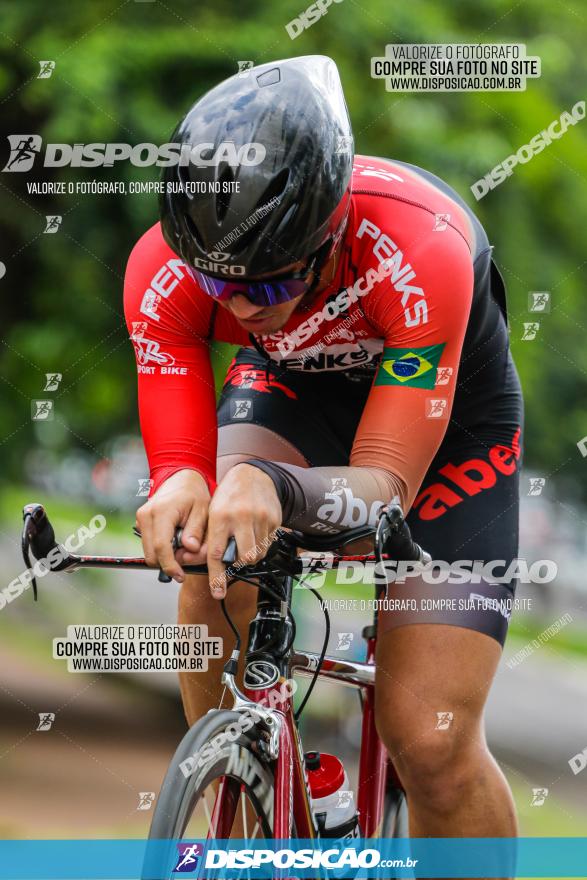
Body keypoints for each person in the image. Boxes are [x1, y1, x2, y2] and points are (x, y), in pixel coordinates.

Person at [124, 55, 522, 840]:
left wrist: (272, 485)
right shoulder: (163, 268)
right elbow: (181, 461)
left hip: (444, 432)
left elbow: (385, 482)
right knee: (212, 559)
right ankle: (241, 796)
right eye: (216, 285)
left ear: (329, 229)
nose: (239, 304)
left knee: (431, 741)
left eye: (267, 287)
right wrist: (176, 484)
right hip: (292, 391)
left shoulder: (420, 251)